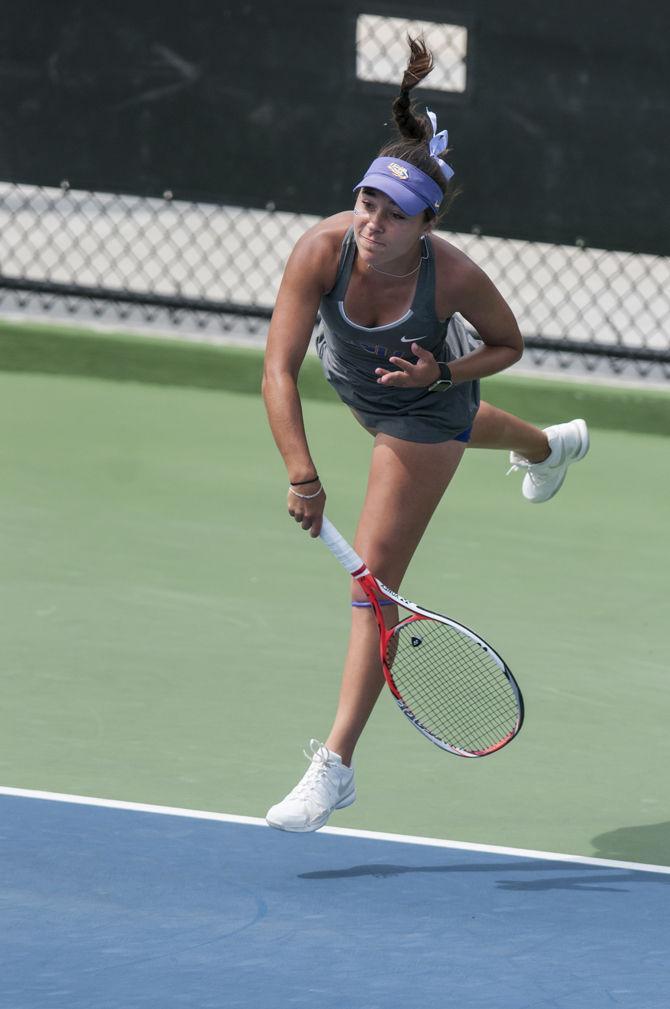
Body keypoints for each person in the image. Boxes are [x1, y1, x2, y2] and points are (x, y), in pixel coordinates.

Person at [261, 37, 589, 832]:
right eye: (367, 202)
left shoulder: (457, 275)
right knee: (470, 433)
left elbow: (507, 346)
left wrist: (438, 377)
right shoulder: (321, 250)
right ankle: (548, 445)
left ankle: (334, 766)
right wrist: (302, 472)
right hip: (363, 394)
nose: (372, 222)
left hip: (421, 408)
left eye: (394, 213)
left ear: (427, 223)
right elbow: (278, 369)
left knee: (371, 587)